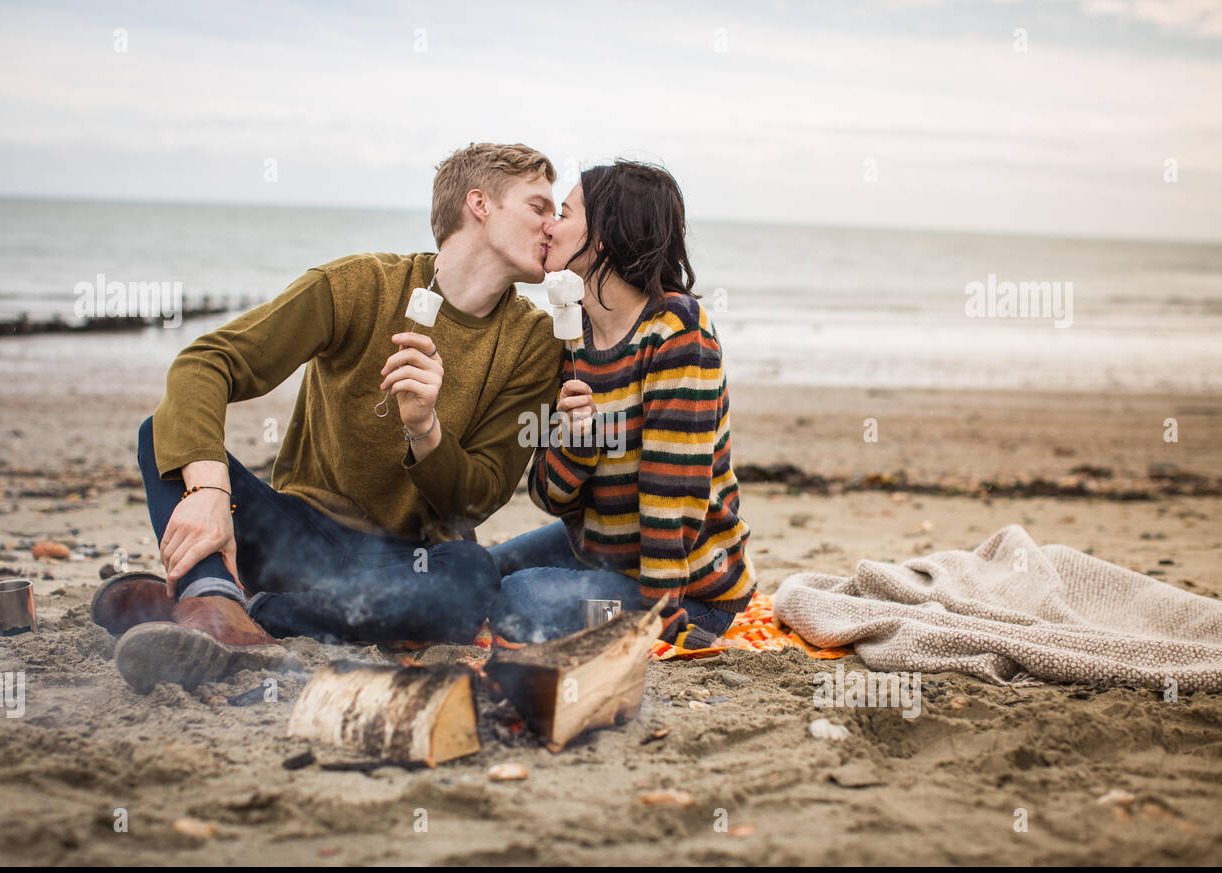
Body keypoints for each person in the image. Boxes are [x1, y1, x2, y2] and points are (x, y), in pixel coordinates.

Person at [91, 143, 564, 693]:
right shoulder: (358, 285)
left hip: (405, 565)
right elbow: (208, 363)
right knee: (162, 435)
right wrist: (211, 491)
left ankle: (238, 611)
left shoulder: (533, 343)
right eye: (539, 207)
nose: (554, 226)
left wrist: (425, 429)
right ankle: (215, 601)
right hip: (296, 534)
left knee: (471, 576)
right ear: (479, 204)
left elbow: (477, 500)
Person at [487, 160, 755, 649]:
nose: (549, 224)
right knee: (479, 574)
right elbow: (548, 496)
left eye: (564, 214)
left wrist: (662, 621)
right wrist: (576, 441)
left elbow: (672, 494)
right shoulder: (572, 341)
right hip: (602, 552)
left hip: (685, 588)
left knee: (519, 600)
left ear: (605, 236)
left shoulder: (677, 331)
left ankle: (651, 613)